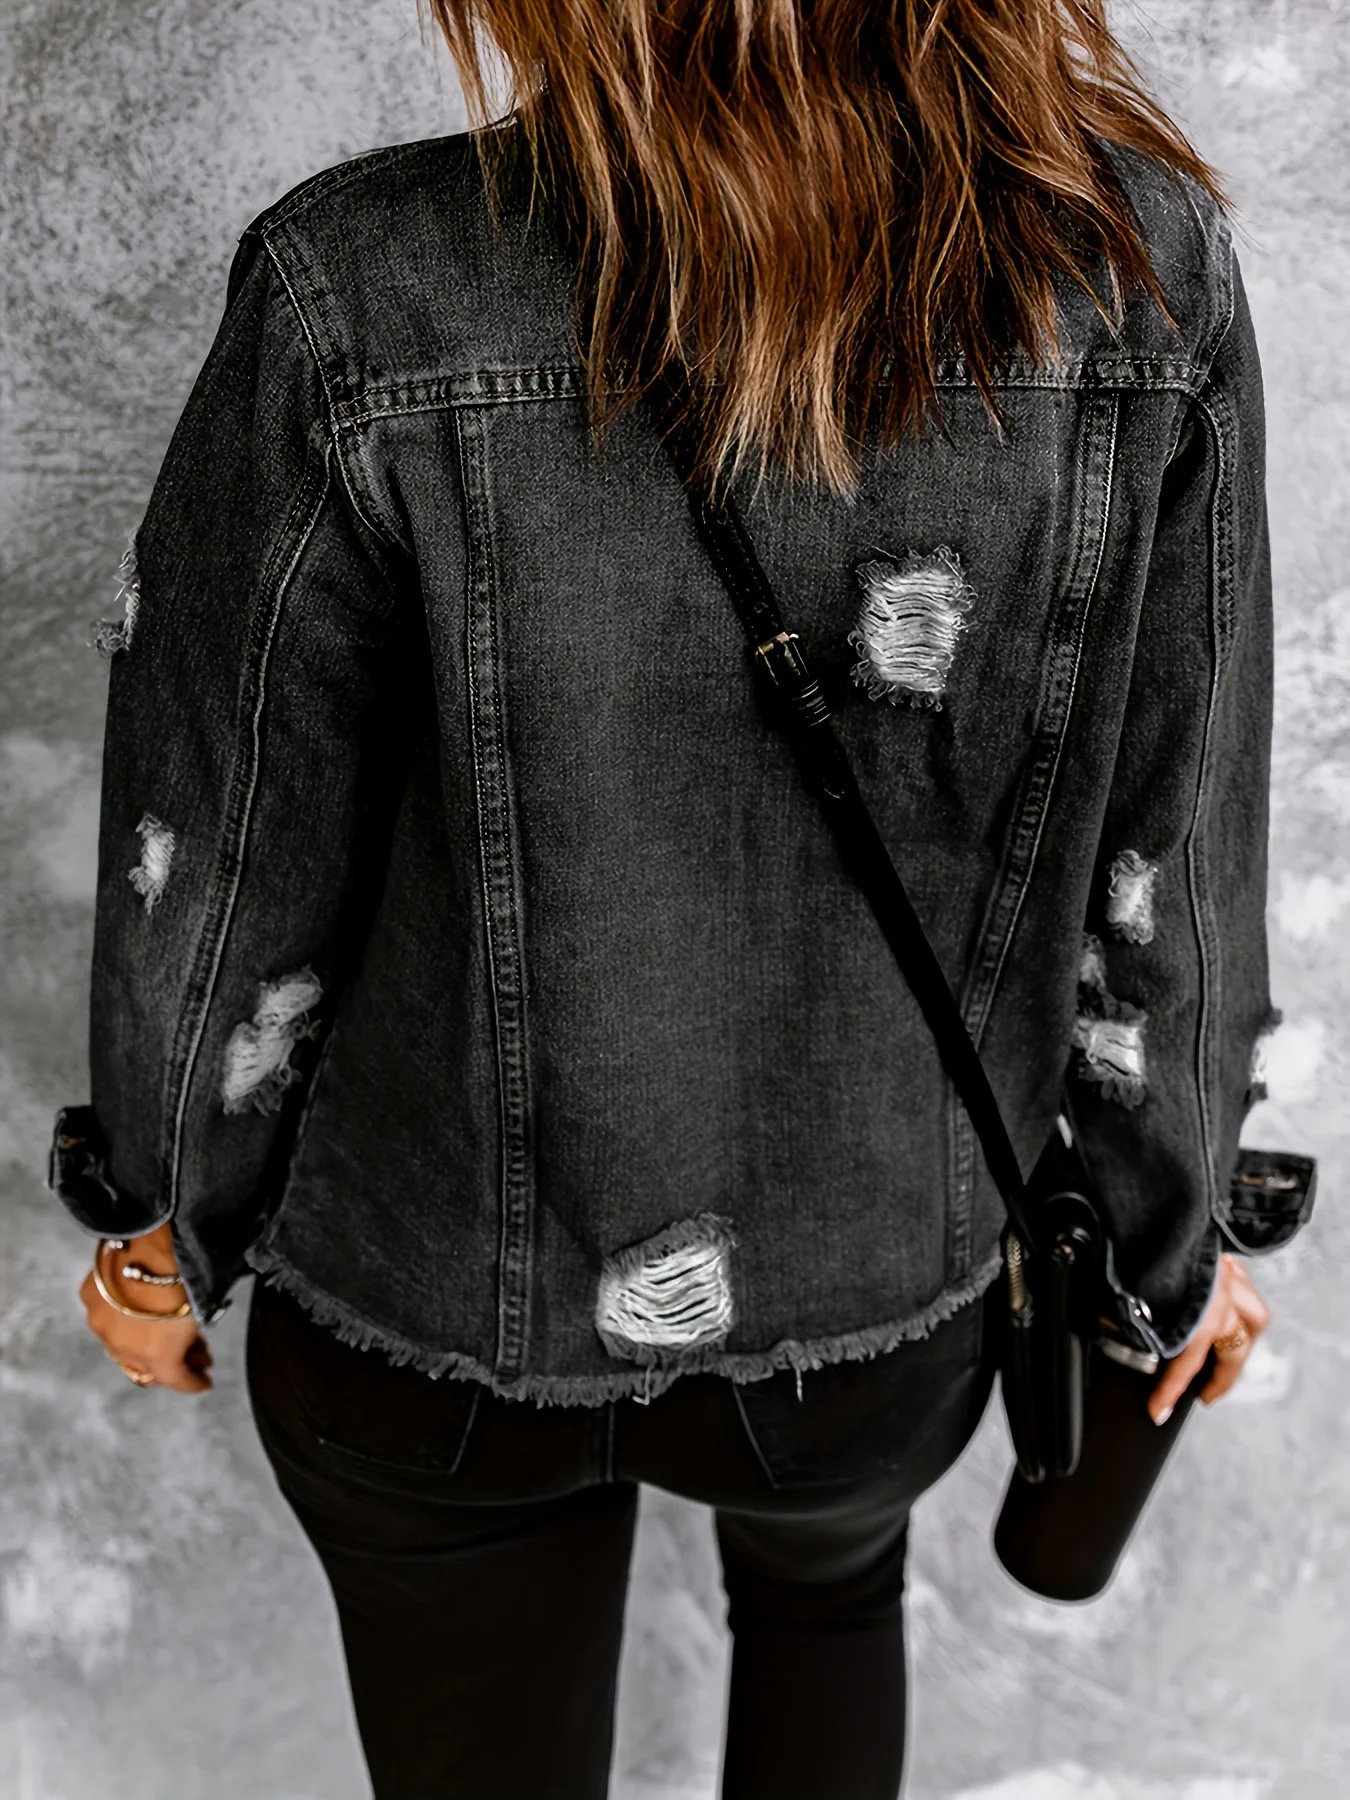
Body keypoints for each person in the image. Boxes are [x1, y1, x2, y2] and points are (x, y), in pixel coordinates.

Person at [56, 1, 1289, 1793]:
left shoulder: (362, 287)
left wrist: (169, 1220)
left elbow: (229, 841)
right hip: (882, 1293)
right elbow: (1174, 863)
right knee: (829, 1603)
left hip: (432, 1299)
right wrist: (1162, 1249)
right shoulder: (1138, 274)